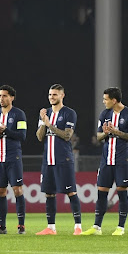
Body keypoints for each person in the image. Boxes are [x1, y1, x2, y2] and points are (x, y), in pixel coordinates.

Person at [81, 87, 128, 236]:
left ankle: (120, 227)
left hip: (122, 159)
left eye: (105, 99)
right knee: (101, 192)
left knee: (122, 191)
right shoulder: (105, 114)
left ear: (114, 100)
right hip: (106, 159)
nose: (103, 101)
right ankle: (97, 227)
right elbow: (99, 136)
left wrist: (117, 132)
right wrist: (105, 133)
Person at [35, 84, 82, 236]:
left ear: (62, 95)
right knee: (49, 193)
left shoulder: (69, 113)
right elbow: (40, 137)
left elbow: (67, 135)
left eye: (55, 95)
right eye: (50, 94)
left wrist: (50, 125)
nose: (51, 97)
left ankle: (78, 227)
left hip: (63, 158)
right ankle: (51, 228)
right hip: (48, 160)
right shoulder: (45, 113)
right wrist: (43, 121)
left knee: (71, 192)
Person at [0, 85, 27, 234]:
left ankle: (21, 226)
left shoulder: (19, 114)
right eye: (0, 96)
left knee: (17, 190)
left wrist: (6, 130)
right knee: (0, 191)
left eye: (5, 96)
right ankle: (1, 227)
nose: (1, 99)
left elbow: (22, 135)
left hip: (13, 157)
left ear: (12, 97)